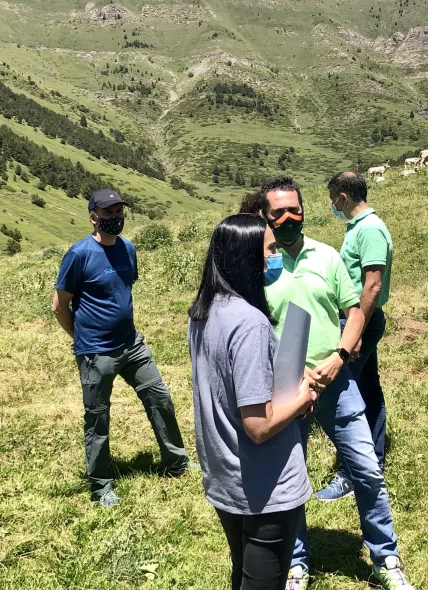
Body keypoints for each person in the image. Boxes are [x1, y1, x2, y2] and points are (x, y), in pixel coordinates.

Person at [259, 175, 415, 590]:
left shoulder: (326, 257)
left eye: (295, 209)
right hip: (285, 388)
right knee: (288, 480)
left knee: (366, 470)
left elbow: (356, 311)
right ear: (265, 217)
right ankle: (295, 563)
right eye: (279, 213)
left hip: (336, 380)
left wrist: (339, 357)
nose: (289, 217)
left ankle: (387, 558)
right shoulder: (258, 270)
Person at [188, 213, 316, 590]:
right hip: (266, 486)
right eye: (271, 250)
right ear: (248, 258)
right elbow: (258, 425)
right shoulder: (250, 324)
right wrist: (304, 395)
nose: (277, 256)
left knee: (243, 571)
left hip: (225, 476)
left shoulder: (202, 312)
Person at [52, 188, 190, 507]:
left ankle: (177, 462)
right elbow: (59, 305)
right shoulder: (79, 254)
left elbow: (123, 291)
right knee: (98, 417)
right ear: (93, 218)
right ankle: (101, 486)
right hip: (96, 352)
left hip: (132, 344)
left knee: (160, 399)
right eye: (108, 213)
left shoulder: (128, 248)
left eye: (118, 212)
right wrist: (79, 338)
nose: (115, 218)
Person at [316, 171, 393, 502]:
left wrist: (355, 329)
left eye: (333, 200)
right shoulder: (359, 228)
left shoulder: (370, 229)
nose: (332, 206)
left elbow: (372, 284)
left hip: (361, 322)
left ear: (342, 198)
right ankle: (373, 459)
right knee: (368, 390)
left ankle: (352, 472)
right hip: (360, 321)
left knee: (344, 398)